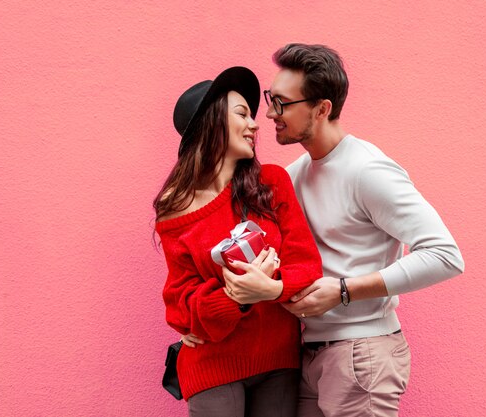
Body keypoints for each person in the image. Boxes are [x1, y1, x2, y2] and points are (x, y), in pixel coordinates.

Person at [263, 43, 466, 417]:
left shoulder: (367, 170)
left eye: (282, 104)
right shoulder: (294, 175)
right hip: (309, 355)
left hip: (361, 352)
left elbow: (445, 256)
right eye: (270, 100)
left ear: (322, 109)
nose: (271, 113)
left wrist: (343, 290)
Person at [154, 66, 322, 417]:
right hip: (212, 363)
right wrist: (234, 297)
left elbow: (306, 265)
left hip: (278, 360)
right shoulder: (175, 208)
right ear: (212, 124)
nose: (256, 124)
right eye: (242, 114)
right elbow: (179, 303)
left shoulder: (271, 183)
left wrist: (268, 288)